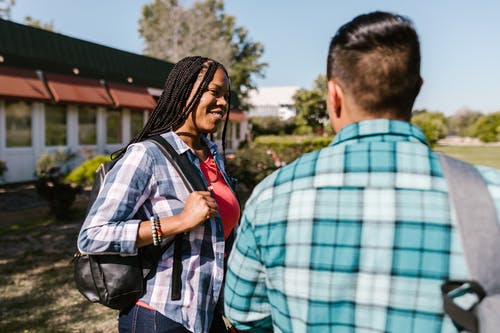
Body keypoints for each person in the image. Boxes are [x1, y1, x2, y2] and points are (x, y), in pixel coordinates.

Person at [223, 11, 500, 332]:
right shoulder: (489, 195)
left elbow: (244, 315)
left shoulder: (272, 195)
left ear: (334, 96)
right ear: (416, 88)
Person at [78, 56, 240, 333]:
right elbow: (92, 236)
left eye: (226, 95)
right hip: (160, 315)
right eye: (214, 93)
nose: (223, 103)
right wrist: (178, 222)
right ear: (183, 92)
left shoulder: (213, 156)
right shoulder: (147, 155)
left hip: (207, 312)